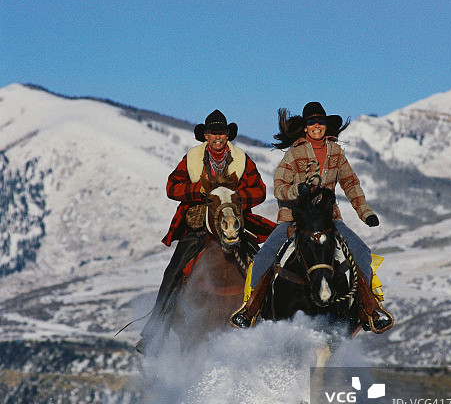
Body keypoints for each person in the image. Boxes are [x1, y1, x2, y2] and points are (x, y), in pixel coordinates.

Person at [231, 102, 391, 331]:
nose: (317, 125)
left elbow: (350, 183)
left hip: (329, 219)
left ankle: (369, 309)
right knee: (265, 254)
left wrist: (365, 213)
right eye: (312, 122)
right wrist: (297, 191)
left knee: (362, 253)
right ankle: (251, 308)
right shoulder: (294, 154)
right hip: (293, 219)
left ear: (326, 126)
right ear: (305, 127)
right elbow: (278, 186)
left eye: (321, 122)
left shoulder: (336, 153)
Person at [136, 109, 273, 353]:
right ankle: (154, 333)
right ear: (206, 136)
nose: (217, 137)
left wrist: (237, 197)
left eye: (221, 133)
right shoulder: (192, 159)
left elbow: (260, 191)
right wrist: (197, 191)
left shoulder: (242, 159)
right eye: (213, 133)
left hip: (234, 224)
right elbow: (172, 187)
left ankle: (272, 323)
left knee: (263, 266)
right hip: (200, 226)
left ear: (227, 135)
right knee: (173, 272)